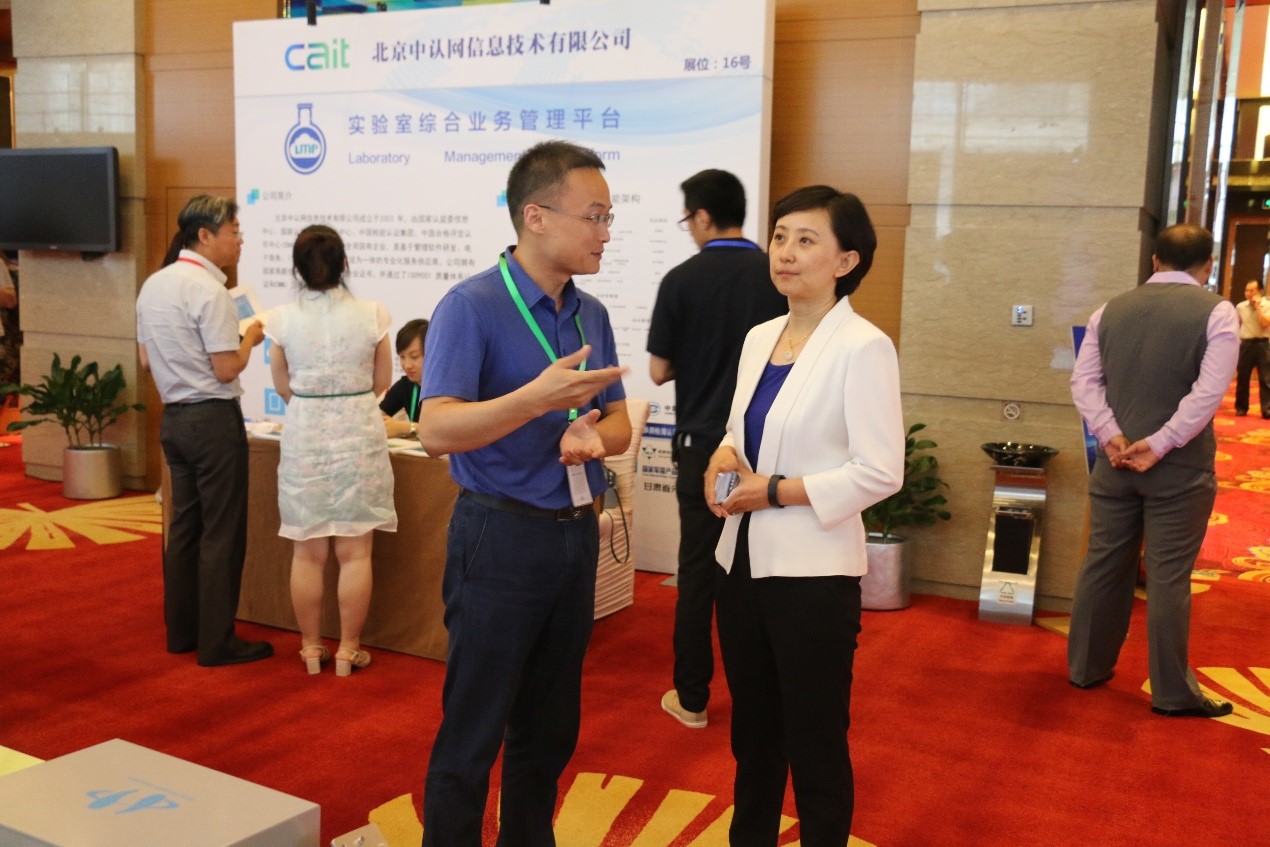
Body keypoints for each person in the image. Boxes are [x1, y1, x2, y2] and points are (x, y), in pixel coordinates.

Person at [417, 139, 630, 845]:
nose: (605, 232)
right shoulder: (471, 306)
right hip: (499, 534)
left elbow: (620, 421)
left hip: (575, 532)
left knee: (549, 725)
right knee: (474, 726)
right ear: (535, 217)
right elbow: (436, 430)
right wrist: (535, 400)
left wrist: (594, 437)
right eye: (594, 216)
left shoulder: (590, 313)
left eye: (608, 217)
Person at [704, 185, 904, 844]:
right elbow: (742, 430)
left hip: (813, 577)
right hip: (741, 563)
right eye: (780, 236)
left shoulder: (863, 346)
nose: (785, 252)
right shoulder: (760, 336)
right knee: (753, 736)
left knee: (815, 741)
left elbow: (880, 471)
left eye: (806, 240)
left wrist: (774, 490)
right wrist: (723, 455)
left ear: (846, 260)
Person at [1068, 223, 1238, 719]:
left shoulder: (1109, 310)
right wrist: (1160, 444)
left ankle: (1085, 668)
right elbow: (1208, 394)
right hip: (1180, 470)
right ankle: (1172, 693)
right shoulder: (1218, 312)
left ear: (1154, 261)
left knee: (1102, 565)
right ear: (1208, 265)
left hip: (1116, 463)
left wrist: (1112, 435)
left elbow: (1084, 383)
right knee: (1168, 579)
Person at [646, 168, 787, 730]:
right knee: (763, 572)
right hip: (771, 450)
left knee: (700, 573)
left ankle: (692, 698)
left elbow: (658, 371)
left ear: (703, 216)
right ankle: (764, 694)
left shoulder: (681, 280)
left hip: (707, 450)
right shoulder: (774, 276)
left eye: (688, 218)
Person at [135, 194, 273, 667]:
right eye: (234, 231)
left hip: (174, 418)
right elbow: (226, 368)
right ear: (205, 235)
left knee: (184, 528)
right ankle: (217, 642)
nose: (240, 240)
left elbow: (145, 362)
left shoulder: (153, 284)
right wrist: (250, 338)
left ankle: (182, 633)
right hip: (212, 420)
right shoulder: (210, 291)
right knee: (221, 532)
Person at [267, 224, 397, 676]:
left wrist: (313, 403)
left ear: (297, 270)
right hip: (359, 430)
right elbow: (383, 382)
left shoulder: (280, 319)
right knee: (355, 552)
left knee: (307, 553)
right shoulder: (372, 314)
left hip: (305, 432)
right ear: (344, 264)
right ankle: (347, 649)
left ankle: (309, 649)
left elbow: (282, 385)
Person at [379, 318, 428, 439]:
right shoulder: (405, 385)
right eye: (402, 357)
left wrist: (406, 427)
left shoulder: (448, 387)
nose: (407, 365)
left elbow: (449, 431)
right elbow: (378, 417)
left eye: (414, 357)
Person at [1234, 279, 1270, 418]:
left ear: (1260, 291)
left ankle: (1267, 409)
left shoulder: (1268, 305)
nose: (1248, 293)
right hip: (1246, 344)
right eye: (1246, 290)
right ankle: (1241, 407)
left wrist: (1258, 307)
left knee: (1266, 378)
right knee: (1243, 377)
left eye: (1252, 290)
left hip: (1263, 344)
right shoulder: (1240, 306)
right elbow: (1237, 324)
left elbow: (1264, 323)